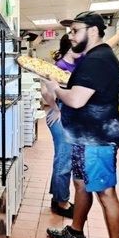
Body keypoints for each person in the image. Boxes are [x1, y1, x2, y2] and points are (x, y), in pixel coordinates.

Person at [42, 11, 119, 238]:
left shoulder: (98, 60)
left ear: (92, 31)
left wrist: (55, 87)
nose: (70, 36)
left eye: (74, 30)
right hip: (83, 137)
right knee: (80, 185)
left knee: (106, 194)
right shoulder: (92, 57)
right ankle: (75, 231)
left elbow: (77, 100)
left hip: (97, 140)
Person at [42, 35, 83, 218]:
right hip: (59, 115)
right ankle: (61, 203)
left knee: (64, 157)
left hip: (70, 116)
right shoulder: (59, 67)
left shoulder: (80, 60)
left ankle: (58, 196)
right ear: (70, 47)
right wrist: (55, 108)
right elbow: (45, 91)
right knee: (64, 159)